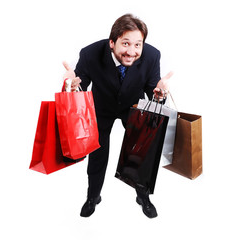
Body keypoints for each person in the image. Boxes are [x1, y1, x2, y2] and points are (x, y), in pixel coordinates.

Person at [63, 13, 172, 218]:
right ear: (112, 42)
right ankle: (93, 197)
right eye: (126, 43)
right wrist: (72, 86)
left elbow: (152, 92)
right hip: (101, 108)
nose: (132, 51)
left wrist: (159, 95)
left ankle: (143, 196)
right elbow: (80, 88)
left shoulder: (152, 55)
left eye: (137, 44)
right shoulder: (90, 53)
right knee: (97, 155)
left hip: (133, 107)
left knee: (140, 153)